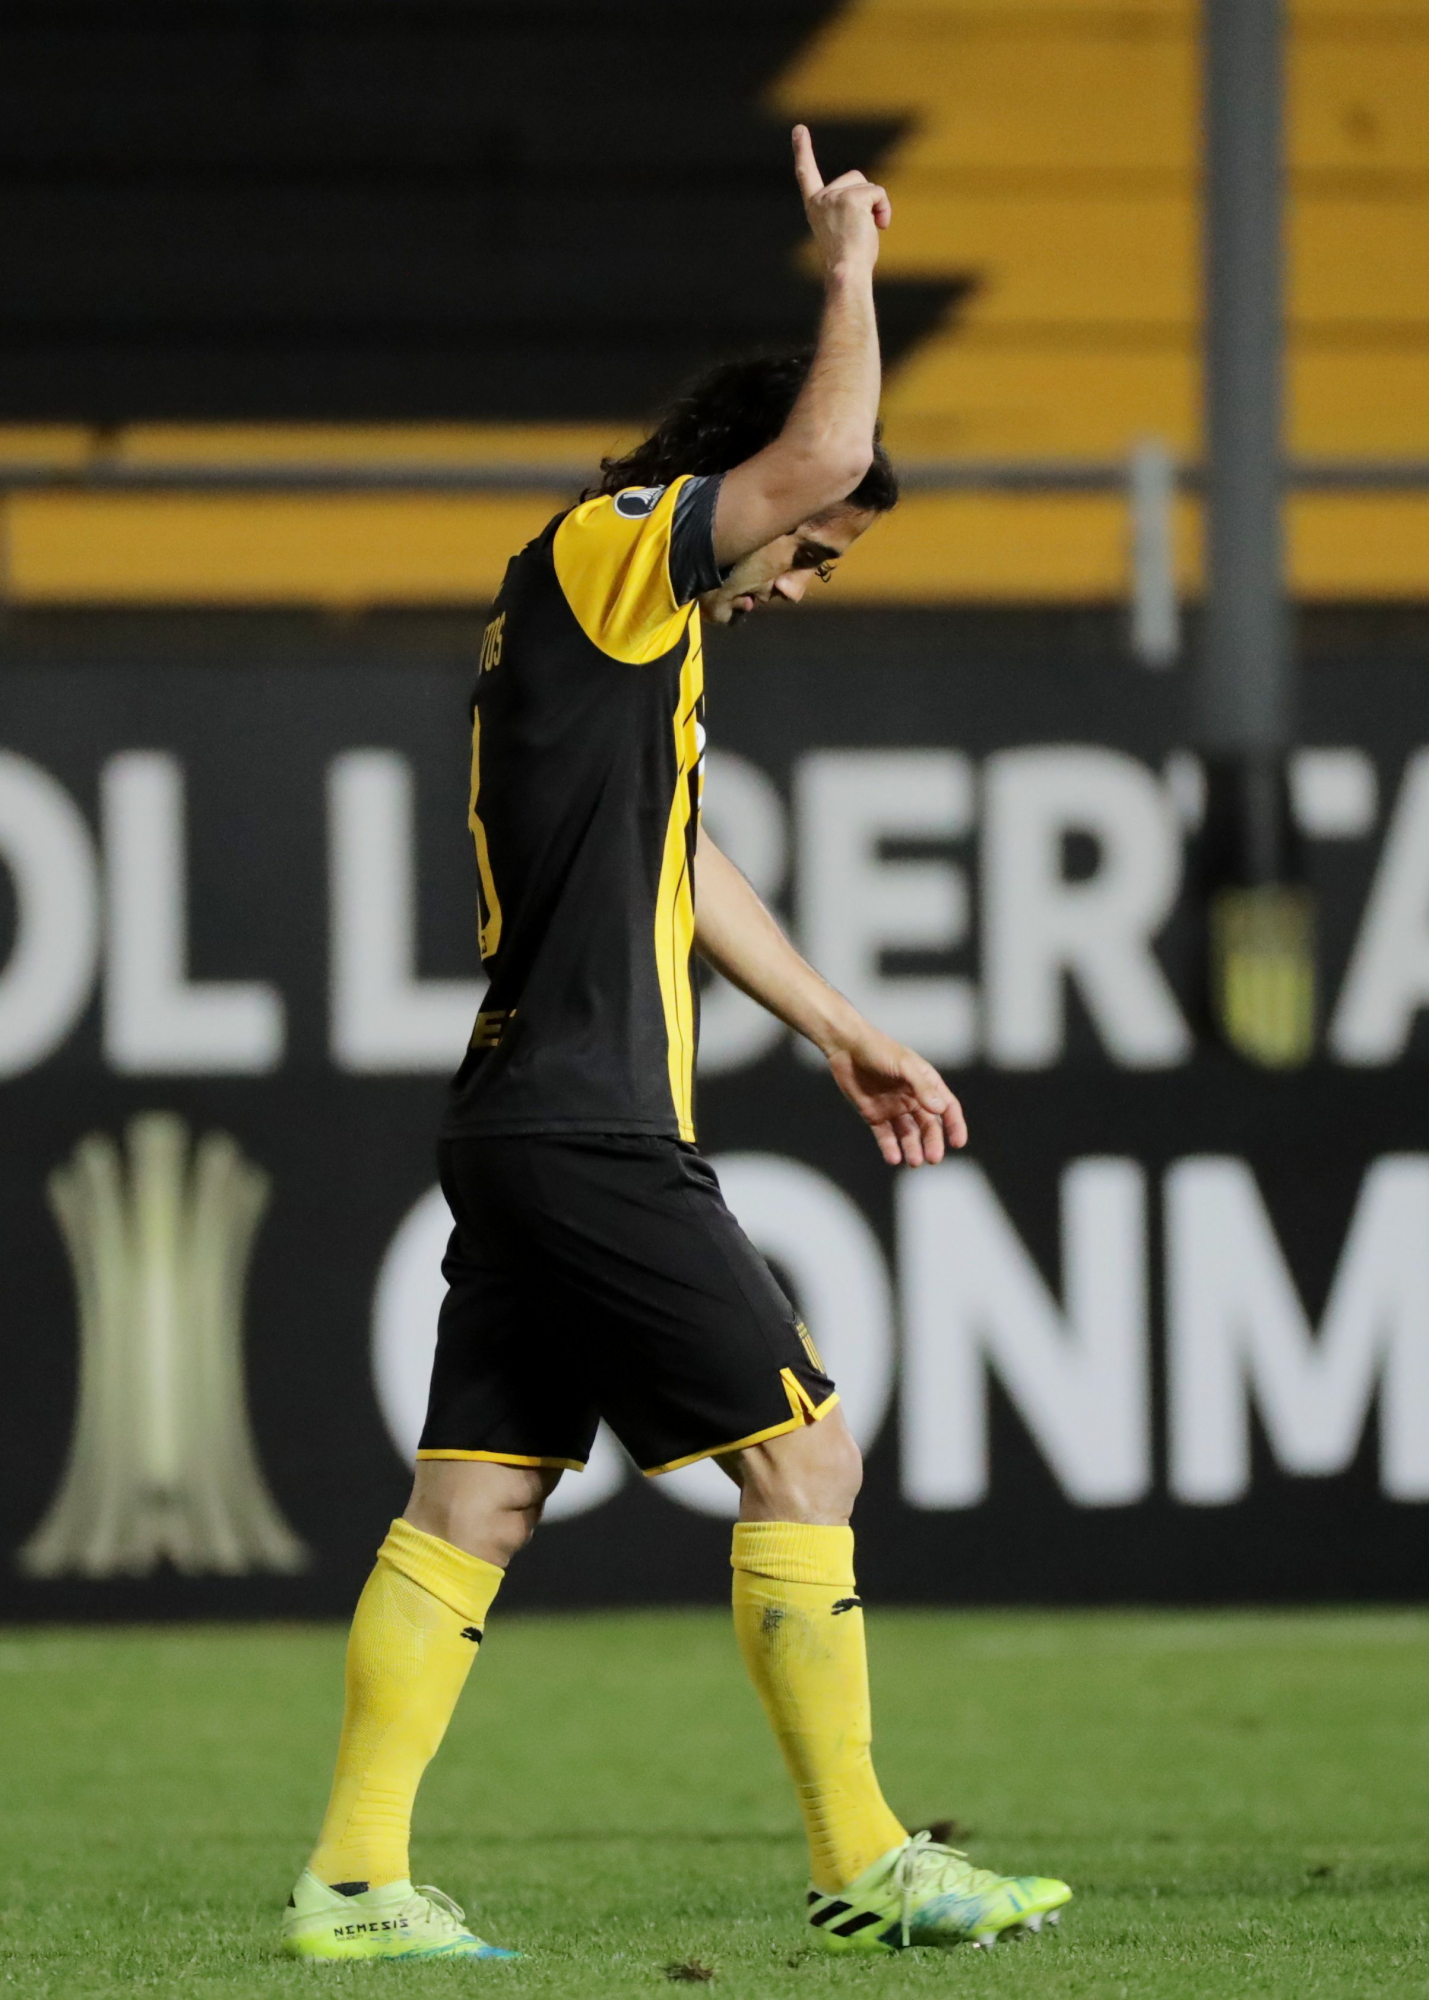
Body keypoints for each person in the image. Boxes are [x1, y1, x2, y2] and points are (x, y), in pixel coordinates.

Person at [281, 125, 1071, 1964]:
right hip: (588, 1125)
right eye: (811, 552)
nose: (803, 576)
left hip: (521, 1118)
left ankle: (352, 1884)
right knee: (807, 1459)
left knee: (474, 1502)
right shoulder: (616, 549)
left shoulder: (628, 637)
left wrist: (840, 1028)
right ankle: (864, 1856)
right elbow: (823, 450)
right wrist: (849, 269)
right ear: (738, 485)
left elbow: (685, 860)